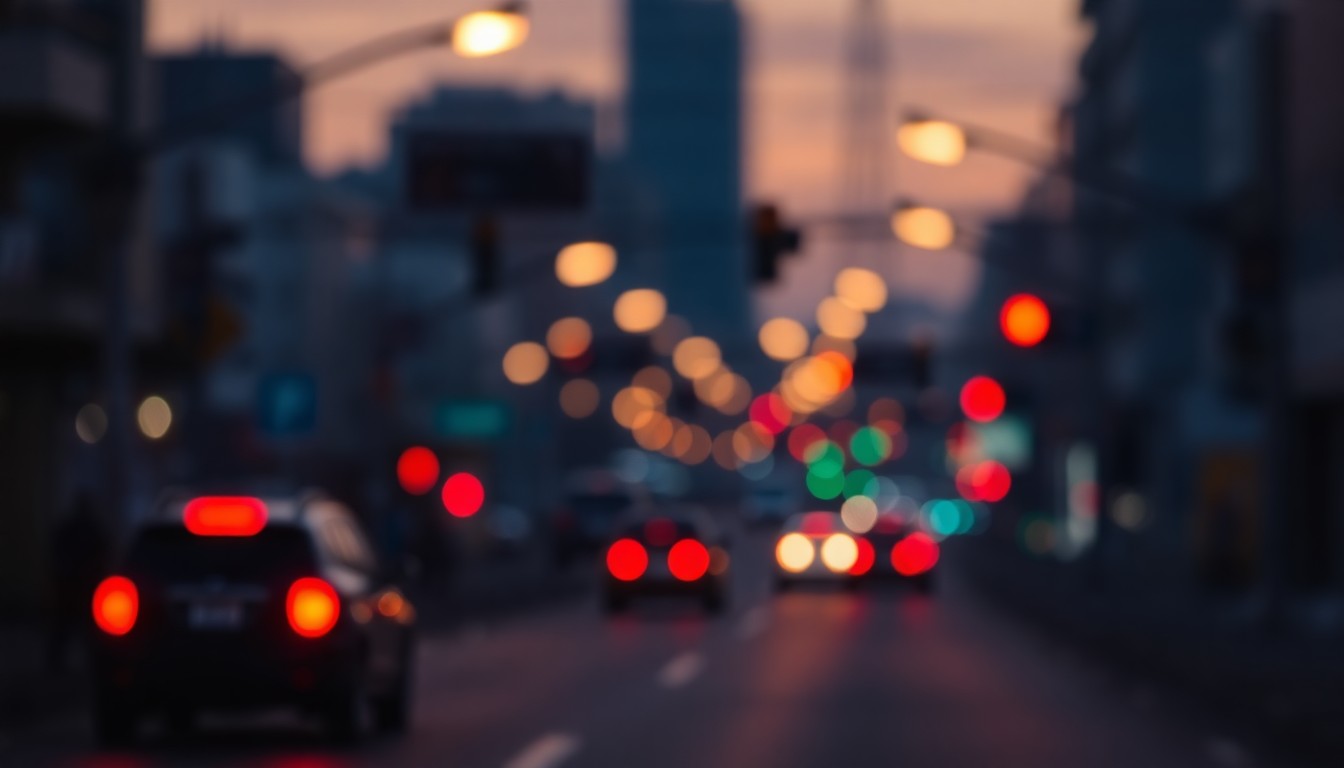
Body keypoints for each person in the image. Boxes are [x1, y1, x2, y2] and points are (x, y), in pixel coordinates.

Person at [46, 493, 110, 673]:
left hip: (76, 586)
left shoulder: (77, 529)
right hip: (78, 586)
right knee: (71, 629)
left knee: (69, 628)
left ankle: (58, 665)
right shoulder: (88, 529)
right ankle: (92, 665)